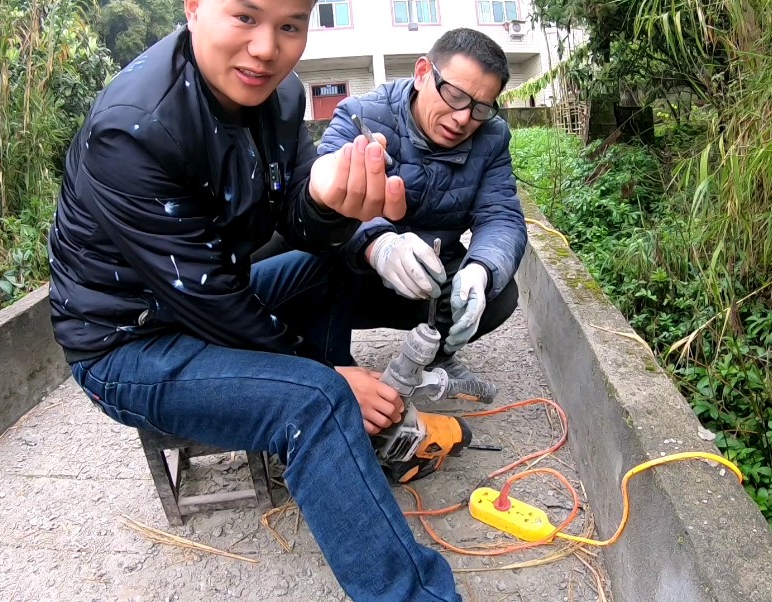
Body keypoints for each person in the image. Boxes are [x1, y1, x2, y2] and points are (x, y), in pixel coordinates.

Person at [47, 1, 461, 600]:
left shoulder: (282, 97)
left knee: (333, 265)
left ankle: (334, 451)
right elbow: (209, 299)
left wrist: (324, 200)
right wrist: (329, 377)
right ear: (194, 7)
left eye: (289, 25)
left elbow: (291, 221)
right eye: (245, 16)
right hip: (127, 347)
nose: (267, 48)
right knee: (315, 400)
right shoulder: (133, 129)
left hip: (208, 298)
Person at [320, 28, 528, 385]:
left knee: (499, 291)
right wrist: (378, 244)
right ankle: (331, 369)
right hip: (353, 275)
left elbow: (501, 215)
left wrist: (480, 269)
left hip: (429, 280)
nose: (464, 118)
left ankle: (435, 356)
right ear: (421, 73)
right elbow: (318, 204)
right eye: (455, 95)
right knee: (301, 265)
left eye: (480, 108)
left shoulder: (491, 138)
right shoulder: (360, 116)